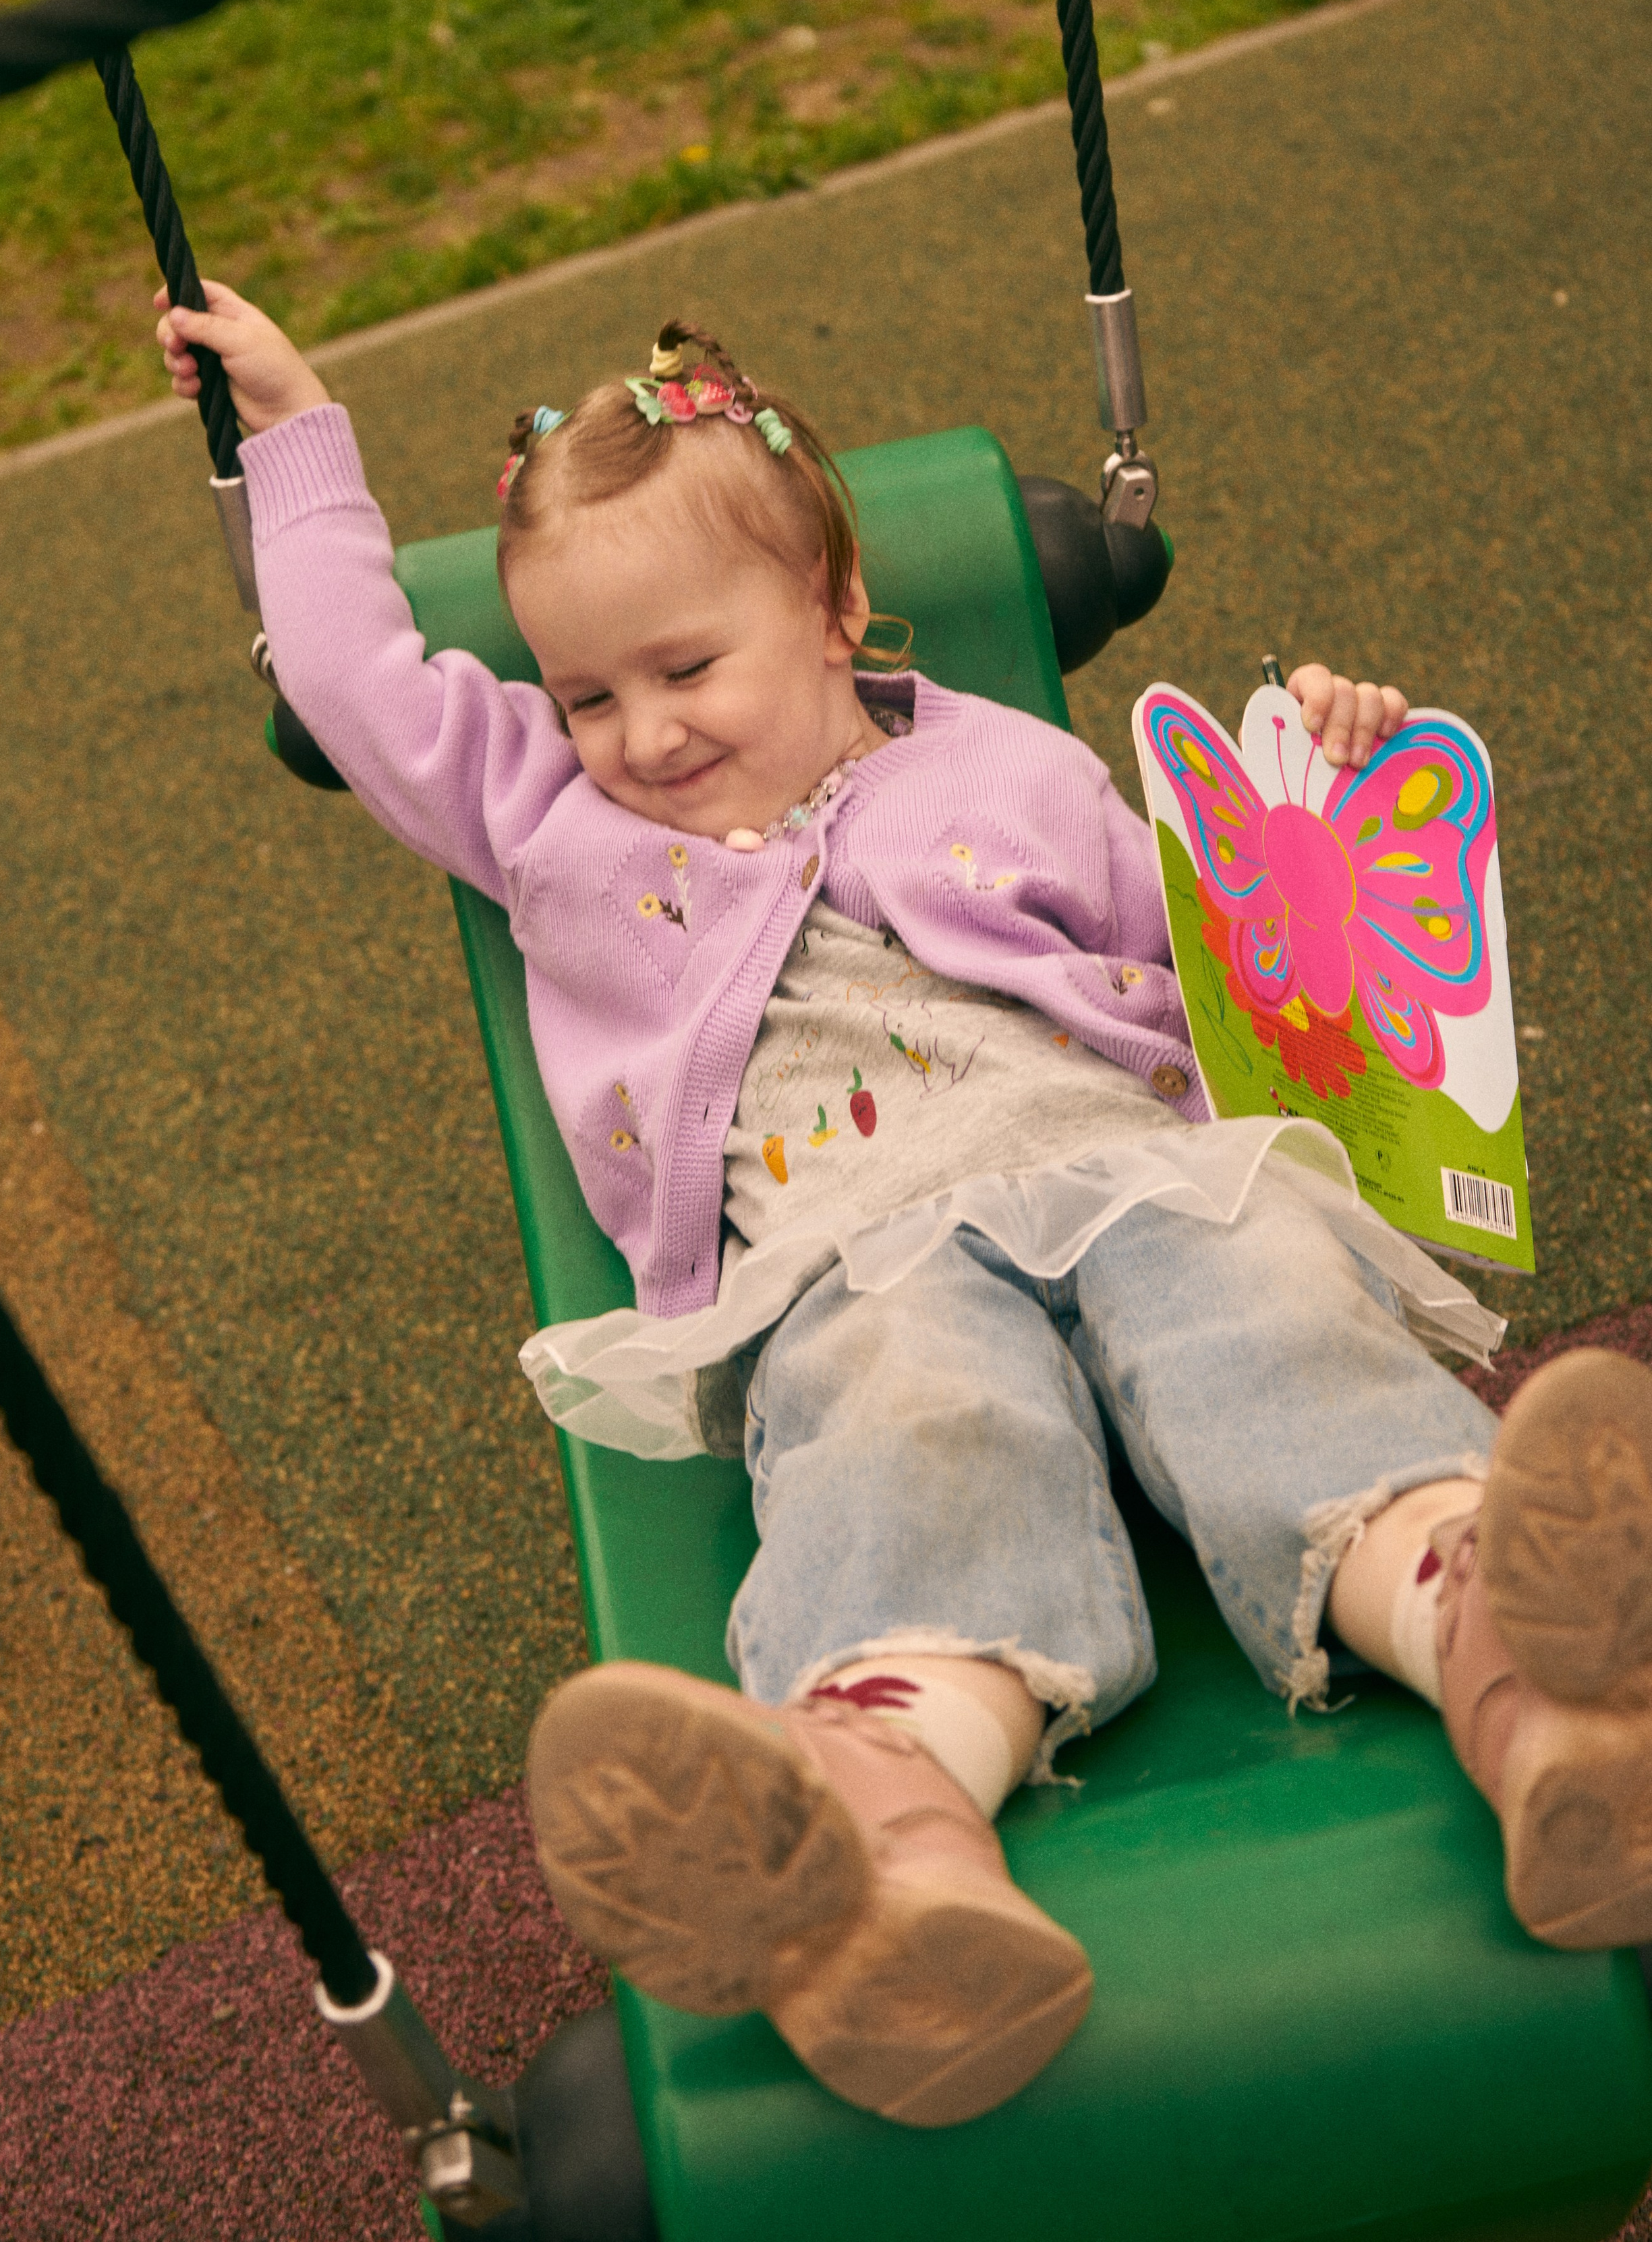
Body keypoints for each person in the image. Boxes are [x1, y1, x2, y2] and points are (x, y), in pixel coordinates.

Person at [156, 283, 1652, 2131]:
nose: (641, 733)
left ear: (837, 609)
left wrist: (1326, 799)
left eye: (688, 668)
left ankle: (1540, 1688)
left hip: (1124, 1171)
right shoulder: (555, 828)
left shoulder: (1008, 769)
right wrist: (294, 429)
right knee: (910, 1420)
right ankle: (888, 1867)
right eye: (587, 695)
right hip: (851, 1249)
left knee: (1263, 1305)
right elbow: (356, 684)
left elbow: (1230, 991)